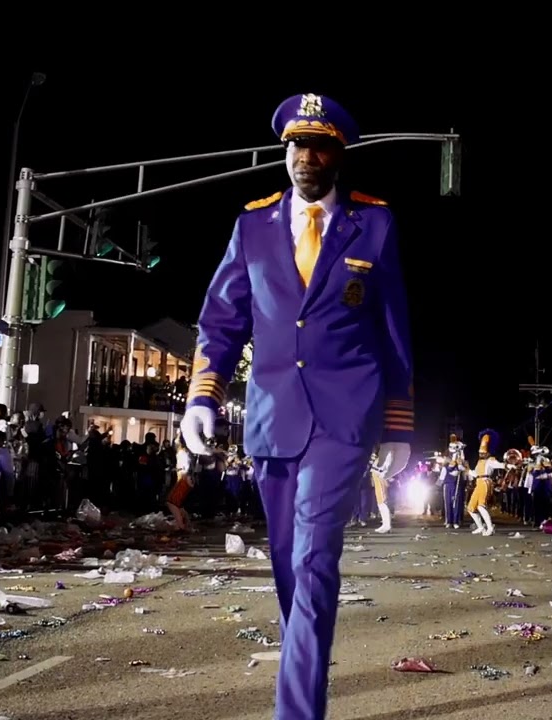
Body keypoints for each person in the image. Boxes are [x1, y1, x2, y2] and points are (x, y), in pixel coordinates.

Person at [179, 92, 414, 720]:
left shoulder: (376, 222)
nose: (305, 158)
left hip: (344, 417)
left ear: (339, 157)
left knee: (313, 556)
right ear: (284, 153)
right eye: (296, 146)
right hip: (271, 417)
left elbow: (394, 328)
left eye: (320, 147)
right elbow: (222, 320)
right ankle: (302, 659)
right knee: (288, 562)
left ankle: (298, 710)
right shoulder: (252, 223)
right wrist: (204, 395)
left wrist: (398, 419)